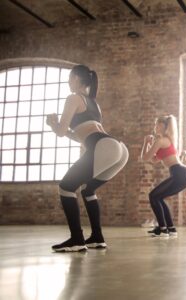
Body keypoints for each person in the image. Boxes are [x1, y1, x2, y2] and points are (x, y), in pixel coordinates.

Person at [46, 65, 129, 252]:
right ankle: (97, 238)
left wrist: (53, 124)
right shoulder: (93, 103)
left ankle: (76, 239)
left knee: (65, 187)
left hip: (103, 146)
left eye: (69, 78)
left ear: (76, 78)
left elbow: (60, 132)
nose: (68, 82)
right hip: (118, 149)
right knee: (87, 189)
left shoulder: (73, 98)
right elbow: (80, 136)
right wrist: (60, 128)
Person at [140, 115, 186, 238]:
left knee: (153, 196)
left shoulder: (161, 140)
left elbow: (145, 158)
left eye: (157, 124)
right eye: (155, 124)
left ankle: (163, 229)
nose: (155, 127)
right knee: (158, 197)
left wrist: (145, 142)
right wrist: (148, 144)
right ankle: (170, 228)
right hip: (182, 173)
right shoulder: (165, 141)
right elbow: (153, 160)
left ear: (164, 126)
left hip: (179, 173)